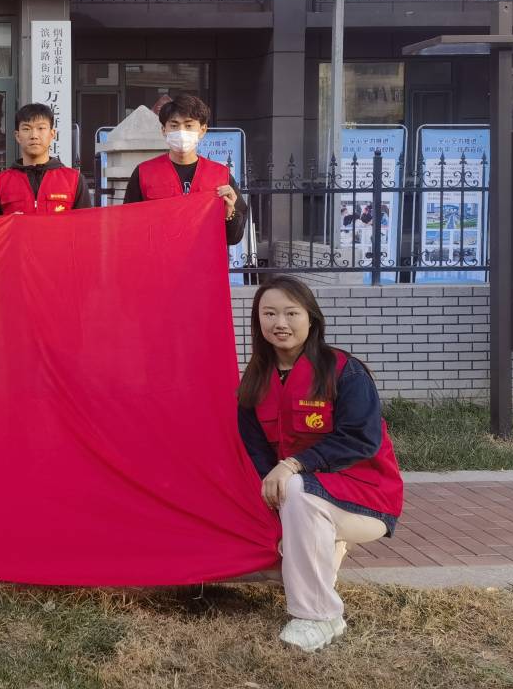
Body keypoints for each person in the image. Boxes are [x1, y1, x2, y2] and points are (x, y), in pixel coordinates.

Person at [237, 275, 404, 653]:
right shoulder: (256, 381)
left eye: (291, 313)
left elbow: (362, 438)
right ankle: (320, 550)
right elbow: (257, 454)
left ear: (311, 318)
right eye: (269, 313)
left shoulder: (344, 371)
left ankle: (317, 615)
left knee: (296, 488)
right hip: (300, 499)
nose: (280, 323)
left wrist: (294, 464)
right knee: (287, 505)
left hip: (366, 499)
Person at [123, 93, 247, 245]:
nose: (181, 132)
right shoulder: (144, 173)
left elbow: (234, 238)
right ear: (164, 130)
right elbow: (128, 226)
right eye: (174, 125)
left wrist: (230, 214)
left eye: (189, 125)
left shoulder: (221, 176)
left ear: (202, 130)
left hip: (205, 259)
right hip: (160, 258)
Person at [0, 103, 91, 214]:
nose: (34, 135)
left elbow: (85, 222)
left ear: (52, 134)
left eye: (41, 128)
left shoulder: (74, 180)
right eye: (26, 129)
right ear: (17, 136)